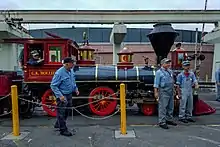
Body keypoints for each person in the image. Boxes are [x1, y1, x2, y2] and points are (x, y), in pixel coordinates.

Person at [50, 57, 79, 136]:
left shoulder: (71, 71)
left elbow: (73, 81)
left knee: (67, 111)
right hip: (63, 95)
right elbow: (53, 85)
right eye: (72, 63)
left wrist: (75, 89)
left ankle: (58, 124)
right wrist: (60, 96)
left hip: (69, 94)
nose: (73, 64)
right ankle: (63, 130)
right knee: (61, 112)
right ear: (67, 64)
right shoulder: (59, 73)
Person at [154, 58, 177, 129]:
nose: (169, 64)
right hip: (163, 91)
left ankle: (169, 119)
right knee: (163, 107)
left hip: (170, 91)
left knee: (171, 107)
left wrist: (174, 89)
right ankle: (162, 122)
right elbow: (156, 83)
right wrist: (156, 92)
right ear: (162, 64)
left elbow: (172, 80)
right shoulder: (159, 72)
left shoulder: (170, 71)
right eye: (167, 63)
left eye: (169, 63)